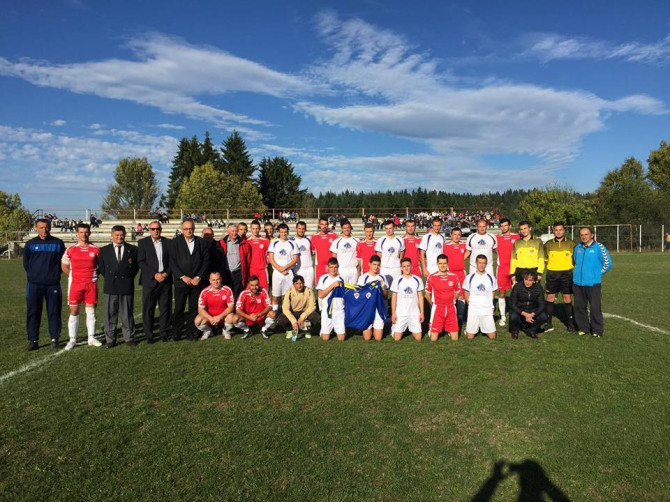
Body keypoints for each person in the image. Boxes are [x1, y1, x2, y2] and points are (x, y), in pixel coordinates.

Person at [23, 218, 66, 351]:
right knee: (33, 312)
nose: (44, 230)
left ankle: (54, 339)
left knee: (54, 311)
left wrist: (54, 274)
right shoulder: (30, 244)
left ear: (50, 227)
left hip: (53, 284)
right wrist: (35, 276)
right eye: (41, 227)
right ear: (36, 228)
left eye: (46, 227)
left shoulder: (58, 243)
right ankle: (33, 340)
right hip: (34, 284)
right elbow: (26, 264)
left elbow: (62, 262)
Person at [61, 223, 102, 350]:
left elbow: (101, 266)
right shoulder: (70, 249)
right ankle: (72, 339)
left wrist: (94, 275)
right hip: (75, 284)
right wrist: (73, 275)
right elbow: (64, 266)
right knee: (74, 311)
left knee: (91, 311)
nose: (84, 234)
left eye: (86, 232)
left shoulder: (96, 249)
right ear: (76, 234)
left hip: (91, 284)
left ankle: (91, 338)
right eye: (81, 232)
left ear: (89, 233)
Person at [97, 225, 139, 348]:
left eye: (121, 235)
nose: (119, 237)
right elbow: (102, 268)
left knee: (127, 313)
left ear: (125, 235)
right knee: (110, 314)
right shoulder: (104, 250)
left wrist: (128, 277)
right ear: (112, 236)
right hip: (110, 286)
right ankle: (110, 339)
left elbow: (135, 268)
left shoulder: (133, 249)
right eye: (117, 235)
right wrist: (111, 278)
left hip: (126, 285)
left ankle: (129, 337)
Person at [170, 219, 209, 341]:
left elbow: (205, 261)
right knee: (179, 308)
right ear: (182, 230)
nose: (188, 231)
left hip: (196, 282)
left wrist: (198, 276)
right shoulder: (175, 243)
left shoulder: (201, 242)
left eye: (190, 228)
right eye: (186, 229)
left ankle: (191, 333)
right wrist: (182, 276)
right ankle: (176, 333)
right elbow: (172, 262)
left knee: (193, 309)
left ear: (194, 229)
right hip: (181, 282)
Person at [572, 227, 612, 338]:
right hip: (578, 283)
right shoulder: (577, 247)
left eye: (586, 234)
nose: (584, 237)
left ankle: (597, 330)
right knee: (579, 307)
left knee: (595, 308)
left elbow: (607, 263)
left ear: (592, 235)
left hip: (593, 284)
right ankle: (583, 328)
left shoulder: (599, 247)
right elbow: (575, 261)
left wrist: (596, 274)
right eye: (581, 235)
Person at [137, 221, 172, 343]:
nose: (156, 231)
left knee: (165, 308)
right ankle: (149, 335)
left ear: (161, 229)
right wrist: (154, 274)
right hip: (150, 281)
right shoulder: (143, 243)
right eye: (153, 229)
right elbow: (141, 261)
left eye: (158, 229)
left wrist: (166, 273)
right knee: (148, 309)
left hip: (165, 280)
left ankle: (164, 333)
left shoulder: (168, 242)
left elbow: (172, 261)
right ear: (149, 230)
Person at [543, 222, 577, 332]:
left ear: (564, 230)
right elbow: (545, 259)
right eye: (556, 230)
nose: (558, 232)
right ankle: (548, 324)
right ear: (553, 231)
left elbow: (575, 259)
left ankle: (570, 324)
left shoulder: (571, 243)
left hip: (566, 274)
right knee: (550, 297)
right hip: (552, 274)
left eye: (560, 229)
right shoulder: (548, 244)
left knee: (567, 297)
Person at [425, 254, 461, 341]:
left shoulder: (454, 276)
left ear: (447, 263)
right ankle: (432, 328)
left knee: (455, 339)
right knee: (433, 339)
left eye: (444, 263)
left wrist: (452, 302)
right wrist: (433, 305)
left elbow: (457, 293)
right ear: (437, 264)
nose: (442, 265)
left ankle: (447, 328)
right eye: (440, 263)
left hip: (451, 308)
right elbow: (427, 294)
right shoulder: (432, 277)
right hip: (438, 308)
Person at [462, 255, 497, 340]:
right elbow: (466, 293)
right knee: (469, 337)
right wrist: (471, 305)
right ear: (476, 263)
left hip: (486, 309)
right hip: (474, 310)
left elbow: (493, 293)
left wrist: (488, 305)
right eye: (479, 263)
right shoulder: (469, 277)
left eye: (483, 263)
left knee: (492, 337)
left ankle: (482, 326)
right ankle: (468, 330)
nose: (481, 265)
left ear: (486, 264)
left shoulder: (491, 278)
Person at [390, 257, 425, 342]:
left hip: (414, 313)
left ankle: (409, 327)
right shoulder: (397, 280)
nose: (406, 268)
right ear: (401, 268)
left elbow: (420, 297)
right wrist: (393, 313)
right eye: (404, 266)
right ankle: (393, 328)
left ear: (411, 266)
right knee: (397, 338)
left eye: (408, 266)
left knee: (418, 338)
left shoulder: (417, 279)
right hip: (401, 313)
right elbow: (394, 297)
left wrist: (422, 312)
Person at [276, 275, 320, 340]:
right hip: (293, 312)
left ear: (304, 283)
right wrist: (293, 321)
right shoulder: (289, 292)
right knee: (281, 319)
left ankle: (307, 329)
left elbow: (312, 306)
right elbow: (285, 309)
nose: (299, 286)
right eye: (297, 283)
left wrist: (302, 317)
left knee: (315, 316)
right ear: (294, 284)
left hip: (304, 312)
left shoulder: (309, 291)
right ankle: (290, 329)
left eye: (301, 283)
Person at [495, 218, 520, 327]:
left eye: (506, 225)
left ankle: (518, 314)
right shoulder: (496, 238)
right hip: (502, 269)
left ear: (510, 226)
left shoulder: (517, 237)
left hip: (515, 269)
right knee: (502, 293)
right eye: (502, 226)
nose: (504, 227)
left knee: (518, 292)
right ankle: (503, 316)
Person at [195, 271, 235, 340]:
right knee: (198, 321)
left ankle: (226, 331)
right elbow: (200, 309)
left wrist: (219, 317)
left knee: (232, 318)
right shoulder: (205, 292)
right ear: (210, 281)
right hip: (210, 317)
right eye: (213, 280)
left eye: (218, 279)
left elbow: (231, 307)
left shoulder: (227, 290)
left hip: (223, 317)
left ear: (221, 279)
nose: (216, 282)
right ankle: (208, 331)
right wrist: (211, 318)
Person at [509, 270, 548, 339]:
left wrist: (533, 314)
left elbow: (542, 304)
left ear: (534, 281)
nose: (527, 282)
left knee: (544, 316)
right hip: (519, 309)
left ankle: (531, 330)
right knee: (513, 316)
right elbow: (512, 303)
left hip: (532, 309)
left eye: (530, 280)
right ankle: (515, 331)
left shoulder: (538, 287)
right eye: (526, 279)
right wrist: (524, 314)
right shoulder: (517, 286)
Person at [357, 255, 388, 341]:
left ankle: (386, 322)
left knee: (378, 338)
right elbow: (359, 295)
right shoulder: (363, 278)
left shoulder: (382, 278)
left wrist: (382, 287)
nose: (376, 267)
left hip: (378, 308)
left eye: (378, 265)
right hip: (367, 308)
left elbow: (385, 296)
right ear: (369, 264)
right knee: (367, 338)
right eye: (374, 264)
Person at [268, 223, 299, 310]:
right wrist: (280, 269)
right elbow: (271, 259)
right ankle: (275, 314)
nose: (283, 234)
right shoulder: (274, 243)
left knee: (289, 296)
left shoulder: (292, 243)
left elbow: (295, 259)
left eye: (285, 232)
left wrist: (284, 268)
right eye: (281, 232)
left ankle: (287, 314)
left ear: (287, 232)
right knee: (276, 297)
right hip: (277, 273)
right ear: (279, 232)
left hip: (288, 273)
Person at [442, 227, 467, 326]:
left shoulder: (463, 245)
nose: (457, 236)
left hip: (461, 274)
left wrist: (461, 259)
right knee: (449, 296)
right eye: (455, 234)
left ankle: (460, 317)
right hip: (450, 273)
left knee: (461, 296)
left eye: (459, 235)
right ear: (451, 235)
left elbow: (468, 252)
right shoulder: (445, 246)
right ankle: (448, 316)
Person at [220, 223, 251, 298]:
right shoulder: (221, 243)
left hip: (238, 273)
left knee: (237, 294)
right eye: (232, 231)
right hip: (226, 272)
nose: (234, 233)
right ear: (228, 232)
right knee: (226, 294)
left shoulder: (244, 243)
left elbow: (248, 260)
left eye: (236, 231)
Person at [375, 220, 405, 286]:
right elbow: (379, 256)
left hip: (396, 268)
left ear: (394, 228)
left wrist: (399, 265)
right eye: (386, 228)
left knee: (397, 288)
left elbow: (401, 255)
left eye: (390, 228)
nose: (388, 230)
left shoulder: (400, 240)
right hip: (384, 268)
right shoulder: (381, 240)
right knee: (383, 288)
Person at [330, 219, 360, 285]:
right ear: (342, 229)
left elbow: (359, 258)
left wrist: (358, 271)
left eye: (348, 227)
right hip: (341, 270)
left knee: (353, 290)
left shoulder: (357, 241)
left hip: (353, 270)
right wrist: (336, 271)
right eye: (344, 228)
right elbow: (334, 259)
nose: (346, 229)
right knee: (342, 290)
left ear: (350, 228)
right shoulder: (336, 242)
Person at [312, 217, 338, 284]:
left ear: (328, 224)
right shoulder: (314, 237)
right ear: (319, 225)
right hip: (319, 267)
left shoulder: (334, 236)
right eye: (322, 224)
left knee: (332, 285)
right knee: (320, 286)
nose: (324, 226)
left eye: (325, 224)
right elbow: (312, 251)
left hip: (331, 266)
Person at [247, 220, 271, 290]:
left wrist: (266, 263)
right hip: (251, 269)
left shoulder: (266, 241)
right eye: (253, 228)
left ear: (260, 228)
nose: (255, 230)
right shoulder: (247, 241)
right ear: (250, 229)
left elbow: (269, 255)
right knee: (252, 289)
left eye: (257, 228)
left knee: (264, 289)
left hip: (262, 269)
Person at [291, 221, 315, 288]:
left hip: (309, 269)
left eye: (303, 229)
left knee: (309, 290)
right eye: (299, 228)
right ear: (296, 229)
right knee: (298, 290)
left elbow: (312, 252)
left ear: (305, 230)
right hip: (298, 270)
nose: (301, 230)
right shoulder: (292, 241)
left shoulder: (309, 239)